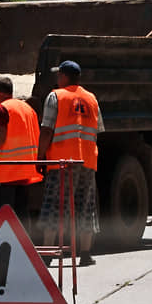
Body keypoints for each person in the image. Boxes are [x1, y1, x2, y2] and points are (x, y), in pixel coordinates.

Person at [38, 60, 104, 267]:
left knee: (54, 206)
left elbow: (47, 129)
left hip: (62, 162)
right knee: (86, 207)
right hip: (87, 161)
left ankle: (49, 254)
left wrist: (41, 156)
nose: (57, 78)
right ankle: (85, 254)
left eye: (59, 75)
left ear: (65, 77)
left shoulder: (55, 96)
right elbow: (98, 130)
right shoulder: (91, 99)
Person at [0, 76, 43, 227]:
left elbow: (0, 139)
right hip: (25, 170)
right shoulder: (27, 109)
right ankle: (25, 247)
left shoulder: (2, 109)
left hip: (6, 172)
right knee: (22, 213)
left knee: (4, 215)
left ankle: (5, 249)